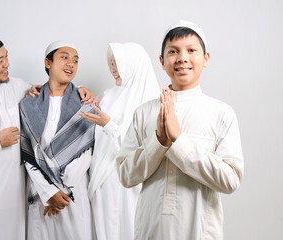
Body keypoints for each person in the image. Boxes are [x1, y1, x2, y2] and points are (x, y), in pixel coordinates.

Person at [0, 33, 96, 239]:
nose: (7, 64)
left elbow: (52, 91)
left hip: (19, 199)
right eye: (0, 60)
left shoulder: (17, 86)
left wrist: (82, 91)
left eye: (7, 56)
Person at [116, 20, 244, 240]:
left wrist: (178, 140)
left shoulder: (221, 113)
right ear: (162, 62)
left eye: (191, 50)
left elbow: (230, 180)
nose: (182, 58)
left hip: (201, 232)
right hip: (151, 230)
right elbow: (126, 176)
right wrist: (159, 141)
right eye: (173, 51)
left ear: (206, 59)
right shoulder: (144, 113)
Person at [80, 42, 160, 240]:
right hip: (102, 180)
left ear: (133, 65)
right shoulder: (106, 97)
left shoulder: (152, 102)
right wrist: (80, 90)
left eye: (119, 63)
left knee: (131, 230)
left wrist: (109, 124)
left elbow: (147, 148)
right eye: (112, 63)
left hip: (131, 183)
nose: (114, 70)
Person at [20, 40, 95, 240]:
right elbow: (28, 154)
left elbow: (86, 152)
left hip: (72, 192)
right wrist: (48, 193)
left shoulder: (85, 103)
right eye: (64, 57)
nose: (71, 63)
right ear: (48, 62)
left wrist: (60, 192)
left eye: (76, 60)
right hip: (40, 194)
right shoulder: (28, 104)